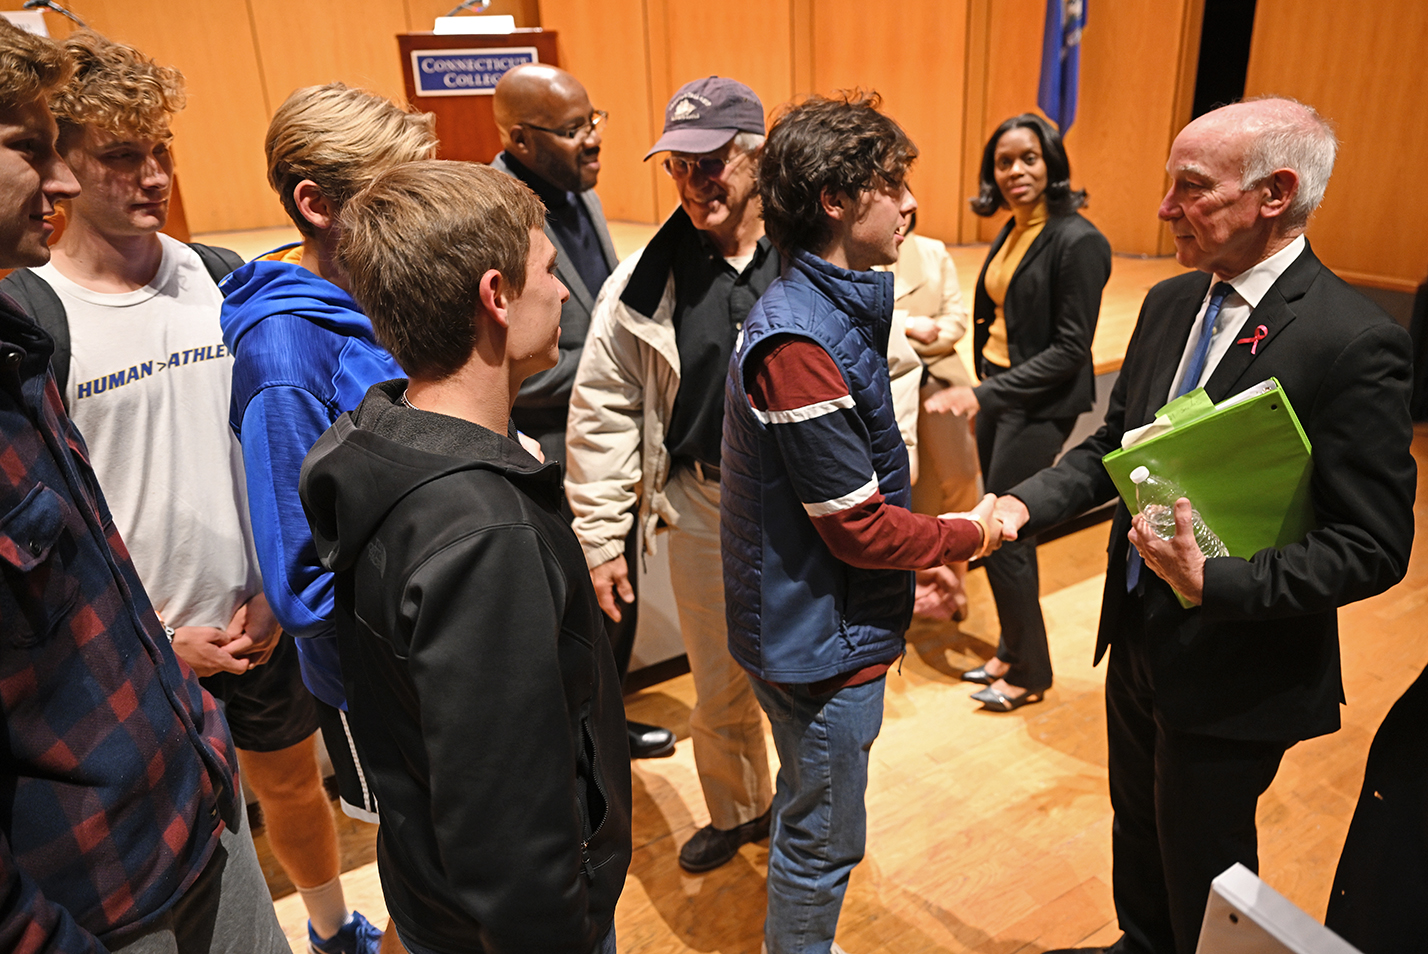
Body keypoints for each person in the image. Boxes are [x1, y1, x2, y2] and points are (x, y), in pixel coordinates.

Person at [996, 97, 1416, 954]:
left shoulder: (1353, 340)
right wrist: (1021, 503)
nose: (1163, 209)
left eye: (1190, 187)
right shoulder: (1171, 301)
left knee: (1205, 862)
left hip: (1237, 659)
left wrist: (1212, 582)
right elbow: (1117, 446)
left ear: (1276, 193)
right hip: (1139, 632)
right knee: (1139, 833)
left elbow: (1373, 547)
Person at [0, 34, 382, 954]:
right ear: (68, 164)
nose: (153, 176)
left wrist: (278, 585)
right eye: (121, 156)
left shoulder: (221, 278)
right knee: (214, 827)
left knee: (291, 788)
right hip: (144, 649)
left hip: (258, 616)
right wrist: (162, 640)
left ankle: (330, 927)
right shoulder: (37, 313)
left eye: (161, 149)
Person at [300, 159, 632, 954]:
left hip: (430, 893)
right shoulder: (484, 533)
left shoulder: (381, 439)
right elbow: (508, 819)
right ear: (496, 295)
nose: (561, 292)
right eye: (550, 271)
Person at [722, 91, 1001, 954]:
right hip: (821, 642)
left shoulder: (815, 312)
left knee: (813, 812)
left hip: (810, 625)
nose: (912, 201)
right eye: (893, 181)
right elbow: (863, 532)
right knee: (822, 842)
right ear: (838, 201)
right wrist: (974, 533)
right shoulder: (801, 343)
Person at [564, 75, 780, 873]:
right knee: (720, 679)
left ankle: (807, 814)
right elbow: (604, 413)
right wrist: (598, 536)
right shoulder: (640, 285)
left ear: (758, 159)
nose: (695, 183)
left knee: (807, 678)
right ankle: (740, 808)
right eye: (679, 167)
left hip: (803, 509)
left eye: (713, 161)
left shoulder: (811, 256)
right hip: (700, 503)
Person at [220, 83, 436, 832]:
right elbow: (301, 586)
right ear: (317, 204)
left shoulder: (381, 295)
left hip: (432, 655)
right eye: (393, 195)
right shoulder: (284, 353)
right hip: (377, 680)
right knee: (426, 887)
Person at [490, 62, 674, 760]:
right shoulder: (493, 215)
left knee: (612, 605)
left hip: (606, 444)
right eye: (572, 131)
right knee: (569, 616)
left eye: (594, 121)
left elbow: (604, 318)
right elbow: (505, 360)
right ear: (518, 139)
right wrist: (623, 373)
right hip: (546, 453)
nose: (594, 141)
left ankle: (602, 730)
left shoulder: (581, 195)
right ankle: (567, 752)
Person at [925, 112, 1111, 711]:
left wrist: (979, 395)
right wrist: (989, 388)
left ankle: (1030, 670)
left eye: (1028, 158)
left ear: (1052, 163)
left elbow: (1068, 351)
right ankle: (1011, 649)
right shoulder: (1014, 230)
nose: (1015, 172)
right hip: (1006, 392)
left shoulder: (1079, 240)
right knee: (999, 529)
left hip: (1041, 402)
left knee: (1004, 533)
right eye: (1004, 162)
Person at [878, 211, 979, 620]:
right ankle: (920, 588)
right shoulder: (860, 252)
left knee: (960, 479)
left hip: (940, 380)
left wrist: (902, 345)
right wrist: (910, 327)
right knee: (912, 490)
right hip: (885, 384)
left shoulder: (934, 252)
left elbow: (955, 322)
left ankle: (959, 580)